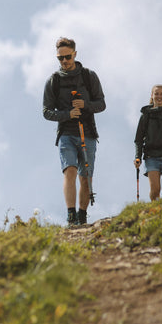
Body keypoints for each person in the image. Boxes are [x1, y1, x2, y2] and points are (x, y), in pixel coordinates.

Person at [43, 37, 106, 226]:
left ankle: (82, 215)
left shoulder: (89, 76)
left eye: (67, 57)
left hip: (88, 133)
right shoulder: (53, 81)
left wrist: (85, 105)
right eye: (60, 58)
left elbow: (101, 104)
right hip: (66, 134)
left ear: (75, 54)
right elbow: (46, 112)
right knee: (69, 171)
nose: (64, 61)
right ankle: (71, 215)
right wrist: (67, 114)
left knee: (85, 176)